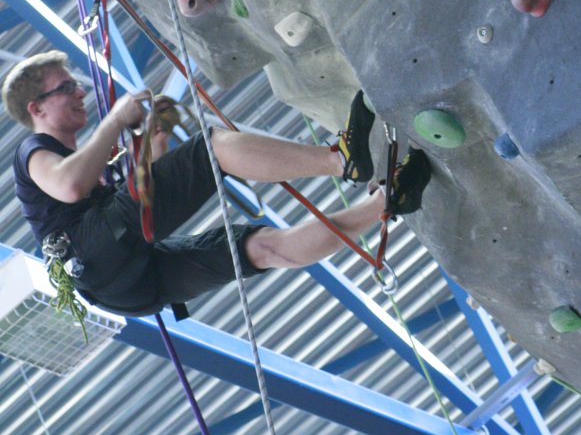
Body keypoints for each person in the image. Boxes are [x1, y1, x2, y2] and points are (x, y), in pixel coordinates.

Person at [3, 50, 431, 317]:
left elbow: (146, 196)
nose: (80, 93)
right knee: (214, 148)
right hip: (97, 252)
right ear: (36, 109)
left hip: (125, 288)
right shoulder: (33, 153)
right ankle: (338, 160)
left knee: (265, 249)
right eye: (66, 87)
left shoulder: (92, 165)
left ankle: (385, 202)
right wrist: (116, 119)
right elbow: (70, 187)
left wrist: (155, 138)